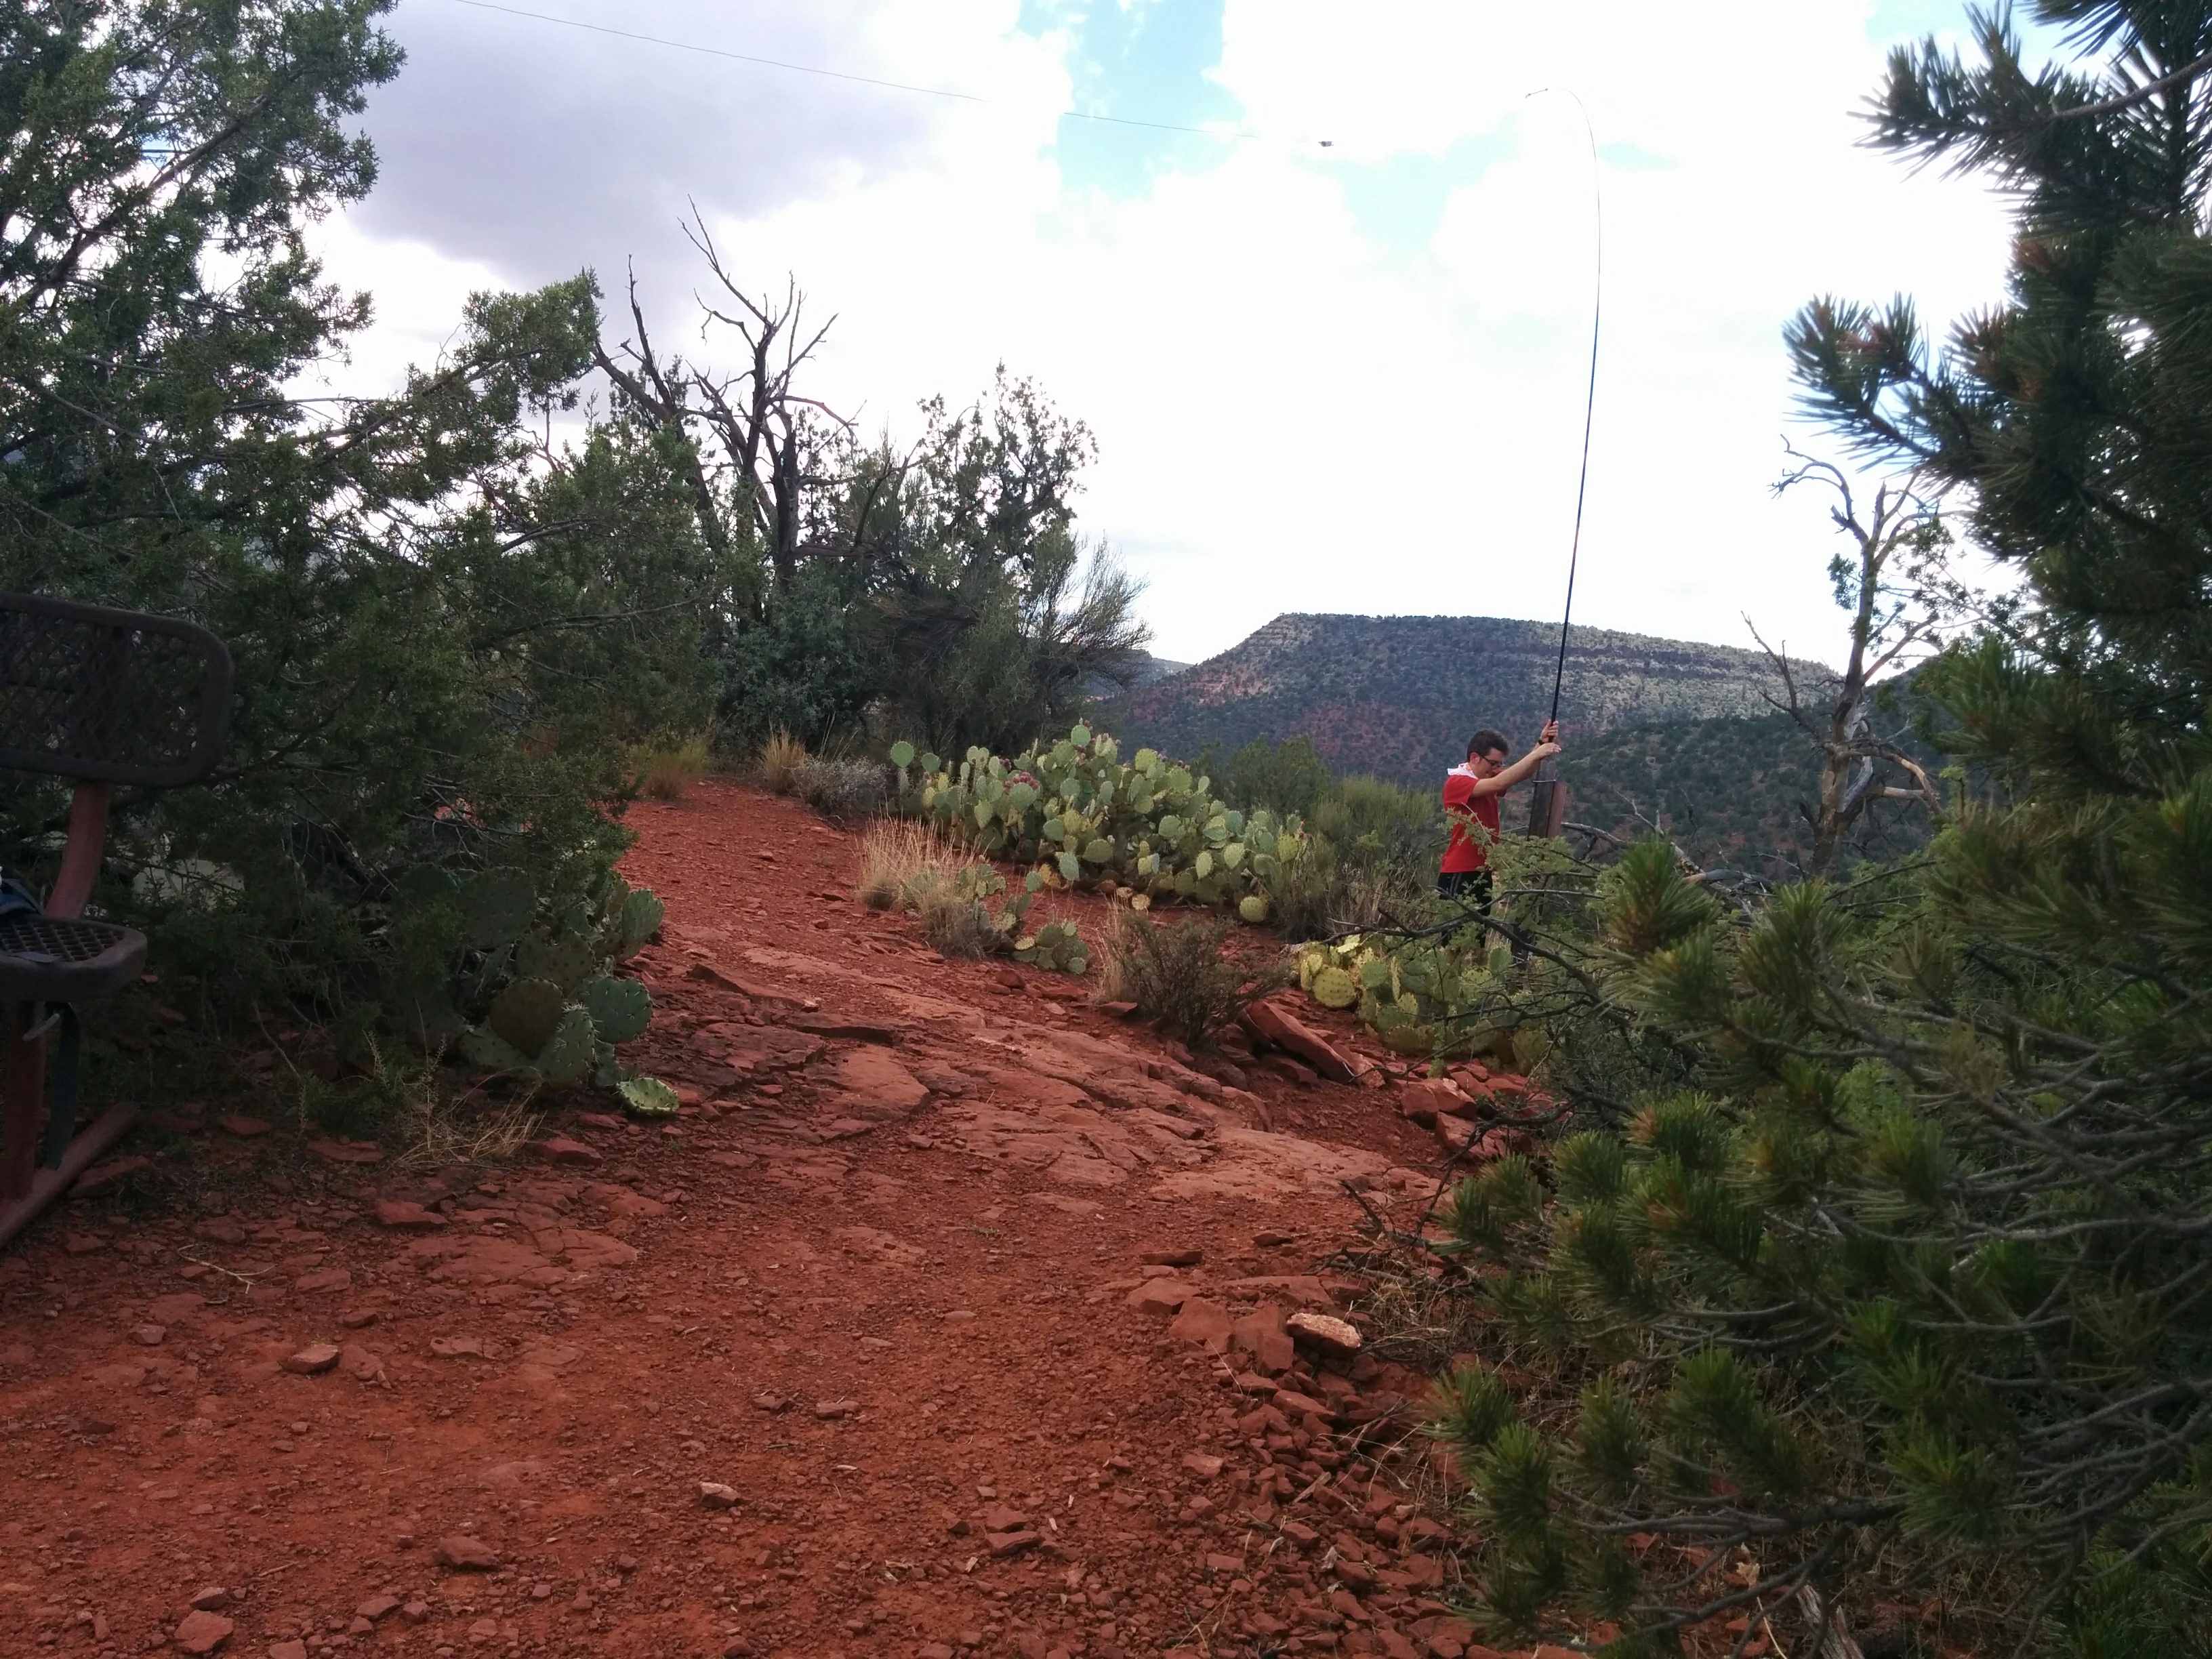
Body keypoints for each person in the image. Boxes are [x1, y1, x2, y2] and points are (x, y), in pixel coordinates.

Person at [1438, 719, 1561, 907]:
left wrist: (1541, 744)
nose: (1496, 769)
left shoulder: (1485, 776)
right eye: (1493, 763)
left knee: (1477, 934)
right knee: (1456, 933)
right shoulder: (1457, 783)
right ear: (1474, 758)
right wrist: (1539, 754)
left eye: (1499, 764)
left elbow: (1518, 774)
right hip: (1460, 872)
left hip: (1482, 872)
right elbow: (1500, 783)